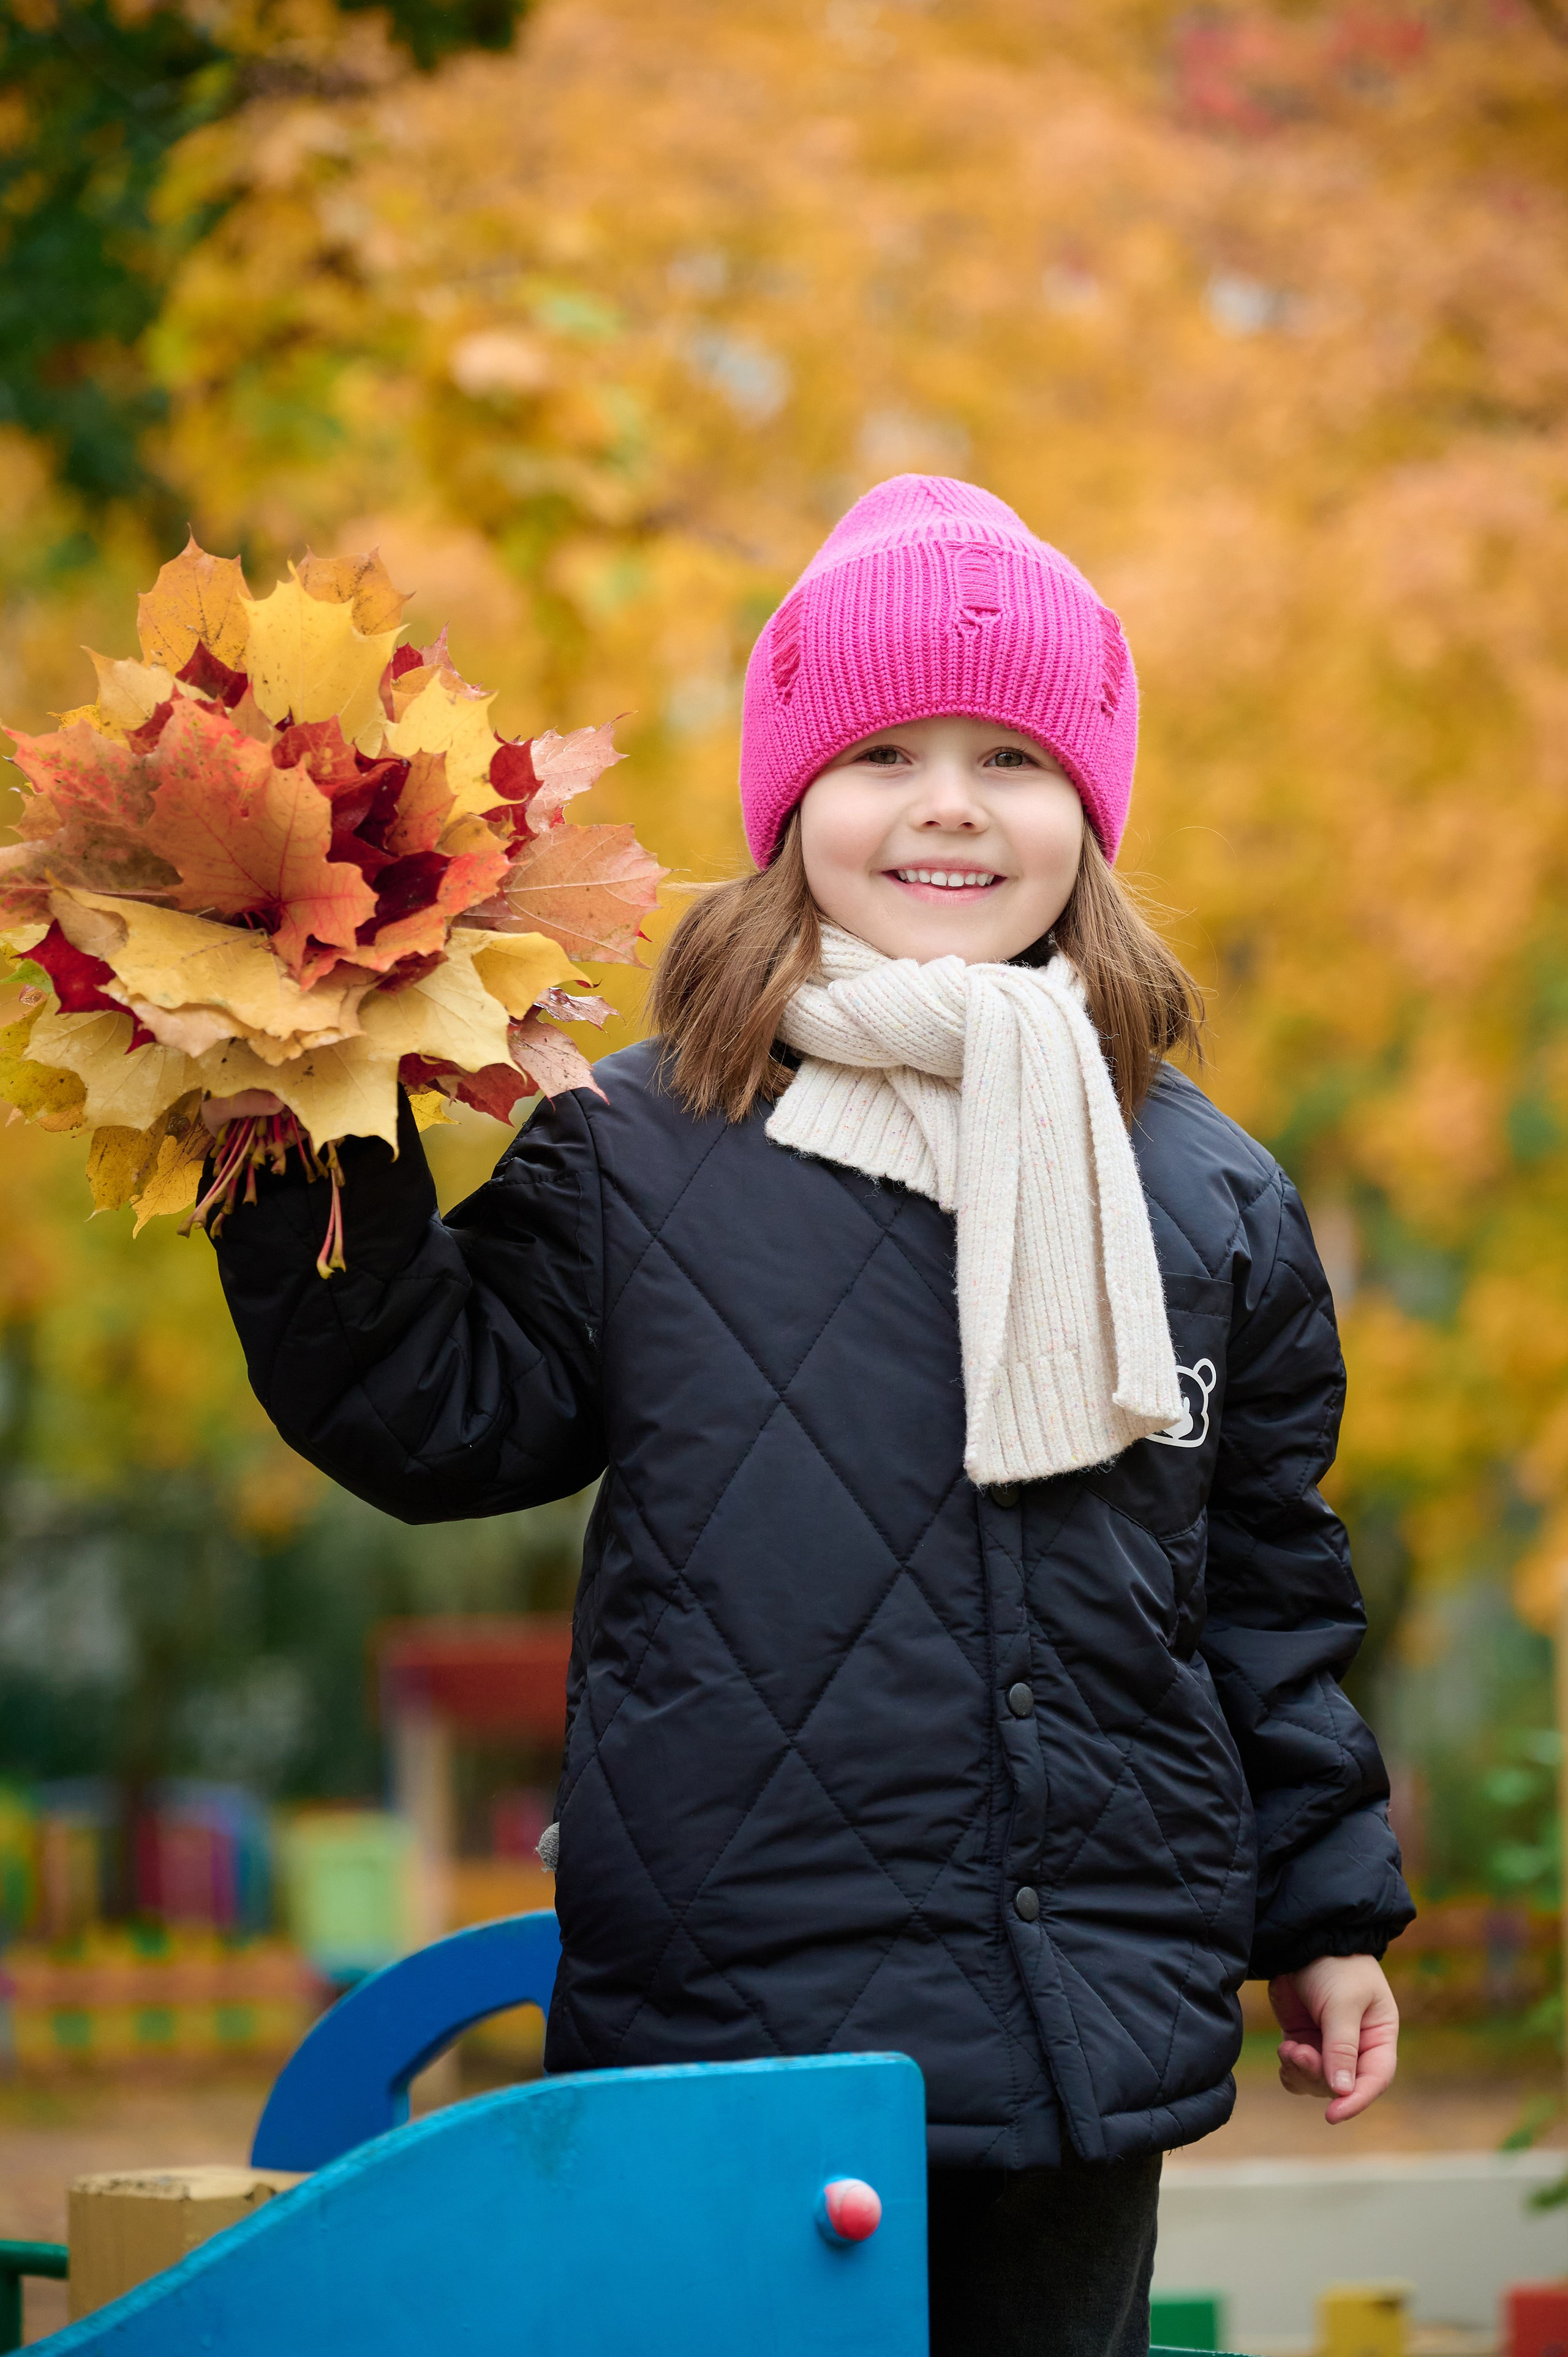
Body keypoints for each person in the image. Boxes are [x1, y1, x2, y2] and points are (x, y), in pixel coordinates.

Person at [209, 475, 1412, 2357]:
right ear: (789, 812)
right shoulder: (637, 1143)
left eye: (1013, 755)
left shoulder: (1205, 1193)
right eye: (886, 752)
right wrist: (299, 1130)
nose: (950, 801)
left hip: (1074, 2029)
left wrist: (1324, 1913)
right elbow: (436, 1412)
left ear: (1088, 817)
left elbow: (1262, 1591)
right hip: (733, 2020)